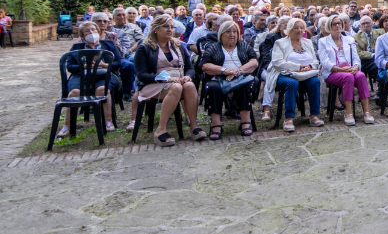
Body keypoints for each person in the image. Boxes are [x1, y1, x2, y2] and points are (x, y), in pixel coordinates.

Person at [133, 15, 201, 146]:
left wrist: (188, 76)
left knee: (190, 85)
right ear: (155, 29)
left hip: (178, 81)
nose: (169, 29)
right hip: (152, 84)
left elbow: (189, 68)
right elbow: (141, 75)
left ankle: (194, 127)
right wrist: (166, 79)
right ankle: (160, 130)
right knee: (176, 87)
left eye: (171, 26)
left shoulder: (179, 46)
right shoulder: (144, 47)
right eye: (165, 26)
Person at [60, 22, 122, 138]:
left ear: (98, 32)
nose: (91, 33)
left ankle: (108, 122)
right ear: (82, 36)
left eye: (93, 30)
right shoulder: (76, 48)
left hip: (104, 75)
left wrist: (105, 65)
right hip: (81, 77)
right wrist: (84, 66)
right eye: (87, 31)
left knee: (102, 90)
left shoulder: (109, 45)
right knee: (74, 93)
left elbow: (119, 63)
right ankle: (67, 126)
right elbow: (70, 67)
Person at [198, 19, 258, 139]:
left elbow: (254, 61)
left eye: (235, 31)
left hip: (241, 77)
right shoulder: (213, 47)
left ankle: (245, 123)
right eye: (228, 32)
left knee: (245, 86)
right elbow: (204, 65)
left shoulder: (244, 46)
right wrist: (224, 71)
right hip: (218, 78)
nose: (232, 34)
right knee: (214, 88)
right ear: (221, 34)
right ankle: (216, 124)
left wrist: (237, 71)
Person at [266, 18, 325, 132]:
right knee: (292, 83)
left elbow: (315, 60)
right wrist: (298, 67)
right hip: (283, 74)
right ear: (289, 29)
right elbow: (277, 63)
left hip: (304, 75)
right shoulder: (280, 43)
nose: (299, 30)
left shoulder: (307, 42)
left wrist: (309, 66)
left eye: (301, 28)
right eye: (296, 28)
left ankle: (314, 116)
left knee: (315, 81)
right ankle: (288, 119)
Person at [319, 16, 374, 126]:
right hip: (332, 72)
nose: (338, 25)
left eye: (339, 23)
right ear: (329, 26)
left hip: (349, 69)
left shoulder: (349, 39)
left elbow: (356, 57)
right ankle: (348, 112)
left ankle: (367, 112)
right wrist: (339, 69)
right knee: (347, 77)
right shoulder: (323, 41)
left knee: (361, 76)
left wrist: (356, 67)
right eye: (334, 24)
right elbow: (324, 62)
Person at [258, 15, 290, 122]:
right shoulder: (271, 38)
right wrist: (273, 68)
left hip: (288, 69)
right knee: (270, 77)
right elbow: (266, 56)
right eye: (286, 25)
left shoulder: (294, 38)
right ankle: (267, 109)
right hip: (269, 68)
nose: (288, 27)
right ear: (280, 27)